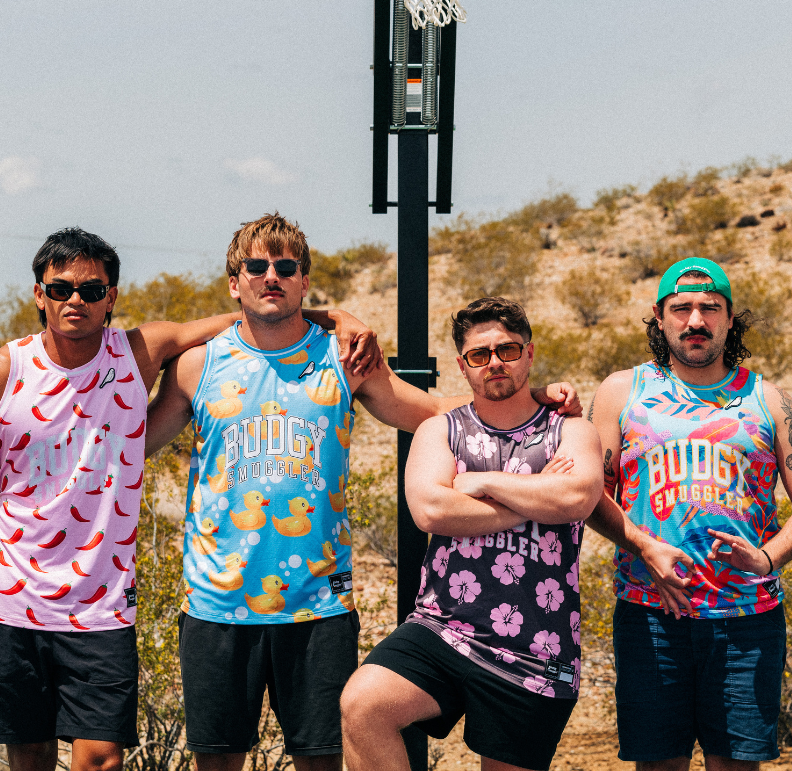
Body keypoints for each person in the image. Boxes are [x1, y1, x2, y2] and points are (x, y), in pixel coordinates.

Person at [146, 219, 581, 771]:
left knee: (324, 759)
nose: (271, 277)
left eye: (286, 267)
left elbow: (425, 408)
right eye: (256, 267)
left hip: (316, 606)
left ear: (305, 281)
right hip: (216, 604)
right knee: (216, 763)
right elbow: (133, 444)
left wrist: (523, 399)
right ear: (235, 282)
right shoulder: (197, 365)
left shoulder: (344, 357)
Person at [0, 226, 376, 771]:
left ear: (112, 298)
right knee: (27, 753)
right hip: (12, 592)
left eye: (92, 289)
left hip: (101, 605)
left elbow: (249, 317)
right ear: (38, 293)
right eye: (60, 289)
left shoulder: (136, 353)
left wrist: (337, 319)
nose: (75, 299)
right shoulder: (7, 368)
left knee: (99, 759)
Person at [340, 296, 602, 771]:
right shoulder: (440, 431)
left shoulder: (572, 431)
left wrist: (480, 484)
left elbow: (577, 499)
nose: (495, 362)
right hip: (444, 627)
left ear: (530, 353)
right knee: (363, 705)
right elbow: (432, 509)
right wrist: (538, 496)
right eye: (479, 355)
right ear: (463, 366)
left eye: (507, 349)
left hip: (537, 651)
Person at [586, 256, 792, 771]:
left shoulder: (765, 398)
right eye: (682, 308)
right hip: (650, 615)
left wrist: (769, 559)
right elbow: (587, 495)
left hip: (748, 622)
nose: (695, 320)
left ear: (728, 317)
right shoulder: (621, 392)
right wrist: (643, 546)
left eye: (709, 308)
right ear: (660, 317)